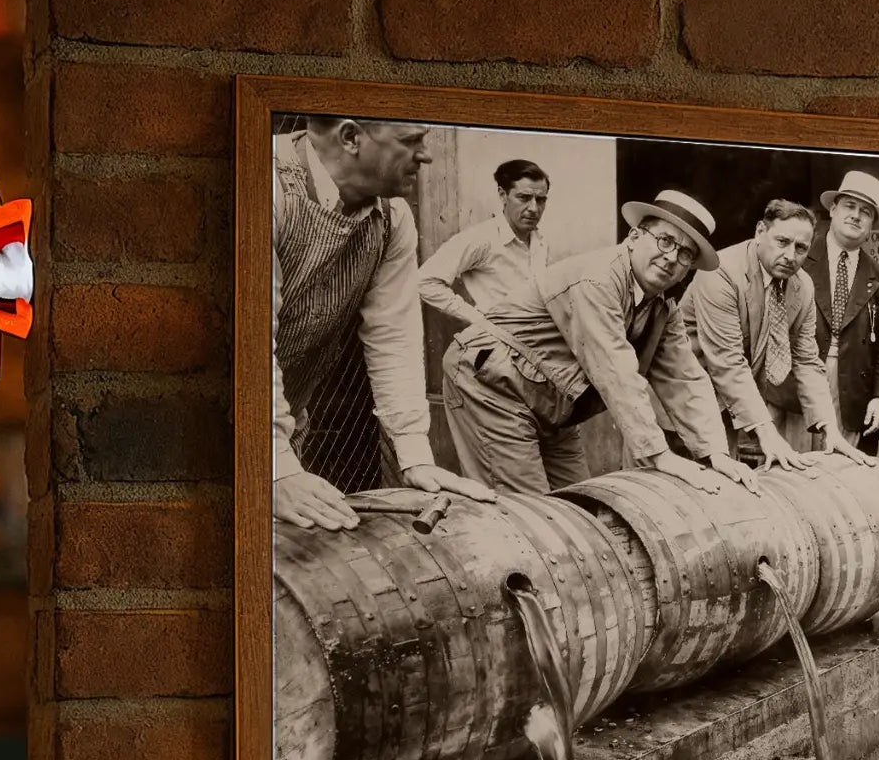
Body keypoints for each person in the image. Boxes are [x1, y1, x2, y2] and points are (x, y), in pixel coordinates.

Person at [270, 115, 491, 531]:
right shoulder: (265, 185)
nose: (426, 155)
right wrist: (274, 465)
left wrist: (414, 455)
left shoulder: (392, 218)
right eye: (411, 141)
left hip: (280, 438)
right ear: (351, 137)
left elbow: (394, 338)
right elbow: (248, 346)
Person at [443, 188, 741, 494]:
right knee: (527, 516)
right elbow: (615, 369)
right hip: (493, 383)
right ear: (635, 236)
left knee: (581, 506)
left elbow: (684, 376)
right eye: (665, 240)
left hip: (550, 401)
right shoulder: (599, 279)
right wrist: (661, 456)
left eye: (685, 254)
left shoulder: (663, 305)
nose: (671, 258)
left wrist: (715, 453)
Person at [685, 200, 858, 469]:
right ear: (759, 232)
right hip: (680, 401)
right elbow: (728, 361)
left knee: (716, 496)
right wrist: (768, 433)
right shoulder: (720, 272)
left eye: (801, 247)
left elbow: (808, 361)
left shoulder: (802, 286)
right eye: (782, 241)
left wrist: (829, 427)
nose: (791, 255)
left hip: (726, 409)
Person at [803, 169, 879, 452]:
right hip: (797, 382)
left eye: (865, 212)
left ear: (872, 224)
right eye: (849, 206)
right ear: (833, 209)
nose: (856, 215)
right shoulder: (800, 257)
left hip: (851, 389)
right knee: (792, 475)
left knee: (839, 476)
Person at [416, 156, 550, 333]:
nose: (534, 208)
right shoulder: (482, 238)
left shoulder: (540, 241)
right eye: (524, 198)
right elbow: (424, 281)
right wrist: (480, 320)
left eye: (540, 200)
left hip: (535, 342)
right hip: (497, 344)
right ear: (503, 195)